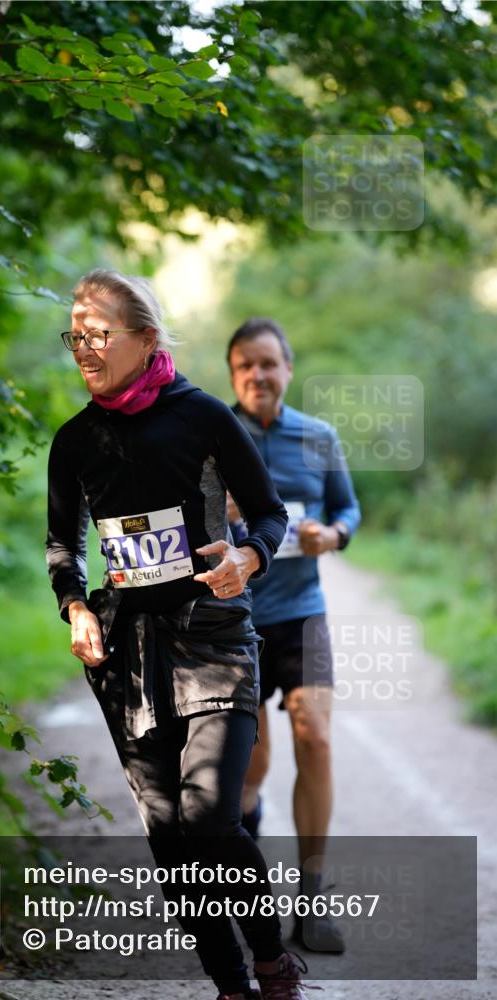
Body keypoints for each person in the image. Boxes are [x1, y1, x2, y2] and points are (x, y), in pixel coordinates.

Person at [46, 271, 317, 1000]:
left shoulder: (201, 416)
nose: (84, 346)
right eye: (76, 334)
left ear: (144, 337)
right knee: (169, 838)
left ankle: (269, 959)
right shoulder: (75, 441)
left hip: (214, 641)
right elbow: (62, 546)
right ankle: (228, 983)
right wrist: (73, 605)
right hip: (126, 656)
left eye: (98, 332)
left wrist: (247, 557)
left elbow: (266, 514)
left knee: (209, 818)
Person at [227, 317, 361, 954]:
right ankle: (247, 887)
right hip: (234, 618)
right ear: (233, 374)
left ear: (287, 367)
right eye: (245, 365)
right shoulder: (211, 437)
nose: (258, 375)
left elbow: (348, 508)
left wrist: (332, 537)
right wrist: (216, 513)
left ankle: (312, 898)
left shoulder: (319, 437)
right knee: (250, 762)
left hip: (302, 612)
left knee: (317, 735)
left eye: (268, 363)